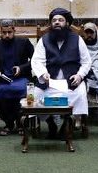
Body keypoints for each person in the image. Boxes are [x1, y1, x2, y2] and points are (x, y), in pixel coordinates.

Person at [31, 8, 91, 138]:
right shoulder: (44, 40)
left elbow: (86, 62)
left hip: (71, 81)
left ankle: (66, 125)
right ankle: (50, 123)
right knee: (36, 96)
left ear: (67, 23)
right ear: (51, 24)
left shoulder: (77, 39)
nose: (57, 22)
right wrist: (43, 73)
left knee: (80, 94)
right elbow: (37, 61)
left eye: (60, 20)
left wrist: (79, 75)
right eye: (54, 20)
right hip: (50, 82)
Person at [0, 19, 34, 135]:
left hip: (21, 78)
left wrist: (21, 68)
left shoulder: (24, 42)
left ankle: (20, 123)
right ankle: (9, 123)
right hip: (3, 80)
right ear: (1, 32)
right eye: (4, 33)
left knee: (22, 89)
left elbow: (35, 61)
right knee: (0, 91)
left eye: (9, 32)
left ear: (14, 30)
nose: (7, 35)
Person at [81, 22, 98, 103]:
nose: (89, 35)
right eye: (87, 33)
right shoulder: (79, 47)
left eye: (91, 33)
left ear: (96, 34)